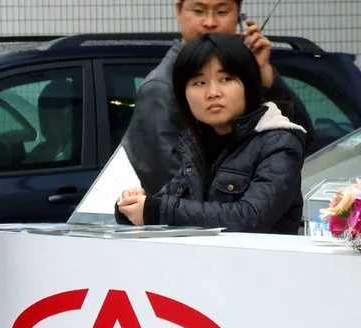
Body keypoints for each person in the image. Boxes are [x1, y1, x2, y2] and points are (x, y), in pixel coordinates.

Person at [116, 33, 306, 234]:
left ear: (249, 85)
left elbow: (251, 217)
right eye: (199, 83)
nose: (213, 92)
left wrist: (156, 210)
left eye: (226, 79)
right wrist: (131, 205)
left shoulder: (279, 142)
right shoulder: (198, 143)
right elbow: (164, 203)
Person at [122, 0, 314, 195]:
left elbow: (300, 138)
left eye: (222, 12)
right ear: (179, 10)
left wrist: (262, 75)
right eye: (199, 11)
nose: (210, 22)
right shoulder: (161, 88)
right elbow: (170, 189)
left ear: (238, 15)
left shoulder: (249, 73)